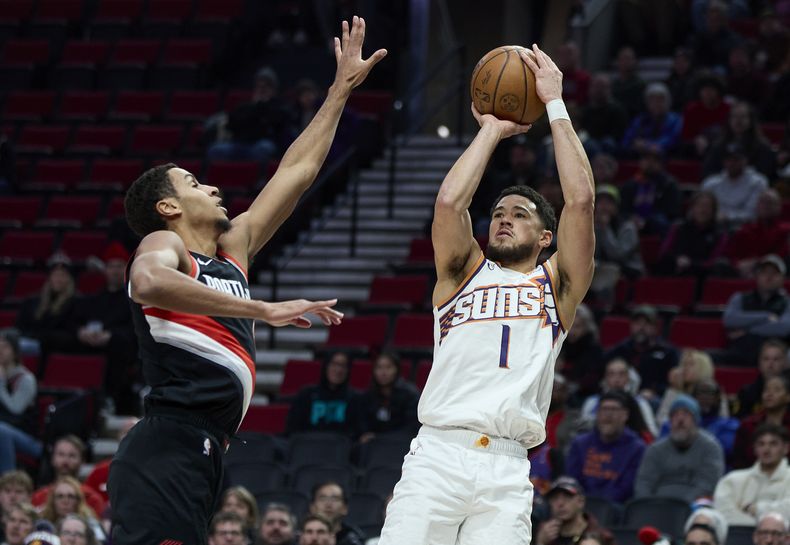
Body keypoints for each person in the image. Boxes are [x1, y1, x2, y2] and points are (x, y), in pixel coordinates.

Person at [107, 16, 385, 545]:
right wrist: (264, 310)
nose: (210, 185)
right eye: (193, 183)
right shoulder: (166, 246)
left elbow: (296, 172)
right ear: (168, 207)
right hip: (167, 444)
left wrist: (339, 91)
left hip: (205, 448)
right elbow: (145, 283)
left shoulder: (232, 250)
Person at [379, 44, 596, 545]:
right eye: (499, 212)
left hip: (506, 466)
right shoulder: (460, 274)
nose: (503, 218)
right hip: (437, 454)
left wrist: (555, 104)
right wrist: (492, 131)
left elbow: (581, 201)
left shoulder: (556, 286)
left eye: (520, 214)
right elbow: (450, 202)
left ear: (546, 238)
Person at [72, 243, 139, 414]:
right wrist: (81, 332)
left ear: (126, 268)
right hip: (92, 348)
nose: (115, 271)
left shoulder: (135, 299)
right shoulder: (94, 299)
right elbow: (76, 322)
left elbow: (136, 331)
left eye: (119, 266)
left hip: (120, 353)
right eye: (111, 266)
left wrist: (111, 336)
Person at [634, 394, 725, 502]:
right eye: (675, 415)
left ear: (696, 421)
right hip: (657, 506)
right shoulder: (655, 450)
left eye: (686, 414)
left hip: (695, 507)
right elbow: (644, 483)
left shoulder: (710, 448)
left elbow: (707, 484)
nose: (680, 420)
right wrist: (647, 505)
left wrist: (682, 506)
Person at [567, 391, 646, 504]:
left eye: (614, 410)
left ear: (625, 415)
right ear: (597, 414)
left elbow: (627, 488)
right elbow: (573, 480)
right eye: (604, 409)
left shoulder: (637, 448)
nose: (608, 415)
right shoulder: (579, 444)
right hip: (580, 505)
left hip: (616, 509)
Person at [207, 67, 290, 164]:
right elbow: (232, 124)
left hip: (261, 143)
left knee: (265, 149)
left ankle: (260, 178)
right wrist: (255, 106)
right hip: (240, 143)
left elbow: (277, 124)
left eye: (266, 87)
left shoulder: (279, 106)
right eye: (259, 87)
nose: (262, 89)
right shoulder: (245, 106)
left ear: (273, 89)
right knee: (216, 150)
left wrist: (263, 105)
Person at [714, 424, 790, 525]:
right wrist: (760, 527)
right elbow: (723, 514)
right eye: (761, 444)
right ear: (754, 448)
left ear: (786, 448)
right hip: (740, 536)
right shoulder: (733, 479)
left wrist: (757, 509)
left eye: (773, 444)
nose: (766, 449)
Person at [723, 255, 790, 366]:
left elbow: (784, 328)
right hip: (741, 352)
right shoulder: (740, 298)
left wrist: (746, 329)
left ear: (782, 278)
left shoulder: (787, 302)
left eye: (774, 273)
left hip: (775, 358)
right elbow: (729, 319)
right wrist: (766, 317)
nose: (769, 277)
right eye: (764, 272)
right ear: (757, 276)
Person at [602, 305, 679, 396]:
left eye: (646, 323)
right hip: (622, 395)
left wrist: (655, 391)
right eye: (637, 323)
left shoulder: (668, 352)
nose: (641, 328)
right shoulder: (621, 349)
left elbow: (674, 382)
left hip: (653, 397)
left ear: (655, 327)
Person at [285, 352, 362, 438]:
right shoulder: (306, 394)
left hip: (341, 447)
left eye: (343, 366)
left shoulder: (355, 398)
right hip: (308, 445)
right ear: (326, 366)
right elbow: (293, 428)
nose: (338, 370)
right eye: (334, 364)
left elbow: (357, 432)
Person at [16, 253, 78, 358]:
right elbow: (20, 326)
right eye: (55, 275)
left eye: (63, 275)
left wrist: (40, 337)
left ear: (69, 279)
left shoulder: (75, 301)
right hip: (29, 340)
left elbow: (69, 333)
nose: (59, 279)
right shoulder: (33, 300)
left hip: (50, 347)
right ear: (49, 278)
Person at [580, 358, 658, 440]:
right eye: (611, 374)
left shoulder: (640, 403)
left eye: (621, 374)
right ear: (605, 378)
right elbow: (583, 430)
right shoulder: (592, 402)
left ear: (628, 378)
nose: (616, 379)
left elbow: (651, 432)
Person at [656, 190, 728, 278]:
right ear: (692, 209)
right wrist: (677, 260)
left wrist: (691, 264)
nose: (703, 210)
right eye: (699, 206)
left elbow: (714, 261)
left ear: (713, 211)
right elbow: (664, 252)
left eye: (707, 206)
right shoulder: (678, 227)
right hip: (676, 270)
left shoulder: (719, 234)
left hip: (703, 275)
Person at [0, 329, 41, 473]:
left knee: (2, 431)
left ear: (15, 350)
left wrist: (1, 382)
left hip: (26, 436)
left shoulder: (26, 378)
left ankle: (7, 482)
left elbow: (15, 409)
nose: (0, 349)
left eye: (5, 346)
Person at [32, 436, 104, 517]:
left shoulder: (92, 499)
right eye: (61, 454)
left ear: (82, 461)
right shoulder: (39, 497)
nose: (66, 460)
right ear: (52, 459)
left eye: (72, 455)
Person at [701, 143, 769, 226]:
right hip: (713, 227)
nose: (732, 163)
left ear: (745, 160)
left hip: (744, 228)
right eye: (728, 159)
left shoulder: (757, 182)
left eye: (736, 160)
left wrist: (727, 217)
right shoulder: (711, 183)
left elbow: (752, 214)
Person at [357, 353, 419, 442]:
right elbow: (363, 426)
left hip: (400, 443)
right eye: (379, 367)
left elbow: (411, 428)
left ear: (397, 370)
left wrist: (381, 437)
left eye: (388, 367)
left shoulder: (410, 395)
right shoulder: (368, 396)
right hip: (374, 444)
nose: (383, 372)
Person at [726, 189, 789, 277]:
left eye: (771, 203)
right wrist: (738, 264)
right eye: (763, 202)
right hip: (743, 272)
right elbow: (732, 255)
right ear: (757, 206)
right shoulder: (744, 230)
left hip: (775, 272)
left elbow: (783, 256)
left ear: (779, 207)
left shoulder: (786, 230)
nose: (766, 206)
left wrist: (757, 263)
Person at [731, 376, 790, 469]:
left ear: (788, 397)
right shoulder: (748, 424)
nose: (769, 394)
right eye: (766, 390)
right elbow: (738, 460)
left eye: (776, 390)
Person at [534, 477, 614, 545]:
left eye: (567, 497)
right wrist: (541, 542)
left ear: (580, 501)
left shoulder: (600, 536)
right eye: (555, 498)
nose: (560, 503)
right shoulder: (543, 532)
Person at [619, 148, 681, 235]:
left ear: (661, 164)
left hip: (655, 222)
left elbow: (671, 211)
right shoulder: (630, 185)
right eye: (646, 159)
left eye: (655, 160)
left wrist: (646, 221)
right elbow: (623, 209)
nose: (650, 163)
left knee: (661, 221)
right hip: (633, 221)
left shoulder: (669, 184)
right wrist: (631, 217)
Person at [621, 82, 683, 157]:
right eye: (652, 100)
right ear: (647, 103)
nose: (656, 103)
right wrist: (634, 144)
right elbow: (627, 140)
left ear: (668, 102)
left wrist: (647, 145)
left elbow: (672, 139)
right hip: (641, 156)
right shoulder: (640, 120)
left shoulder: (676, 119)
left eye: (660, 100)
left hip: (666, 156)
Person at [39, 477, 105, 542]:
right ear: (53, 501)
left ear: (78, 501)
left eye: (70, 496)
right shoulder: (43, 524)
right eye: (60, 496)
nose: (65, 501)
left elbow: (102, 543)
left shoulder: (91, 523)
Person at [736, 339, 789, 417]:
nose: (770, 364)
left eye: (776, 359)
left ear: (785, 363)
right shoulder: (747, 392)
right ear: (759, 363)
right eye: (766, 359)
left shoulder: (788, 391)